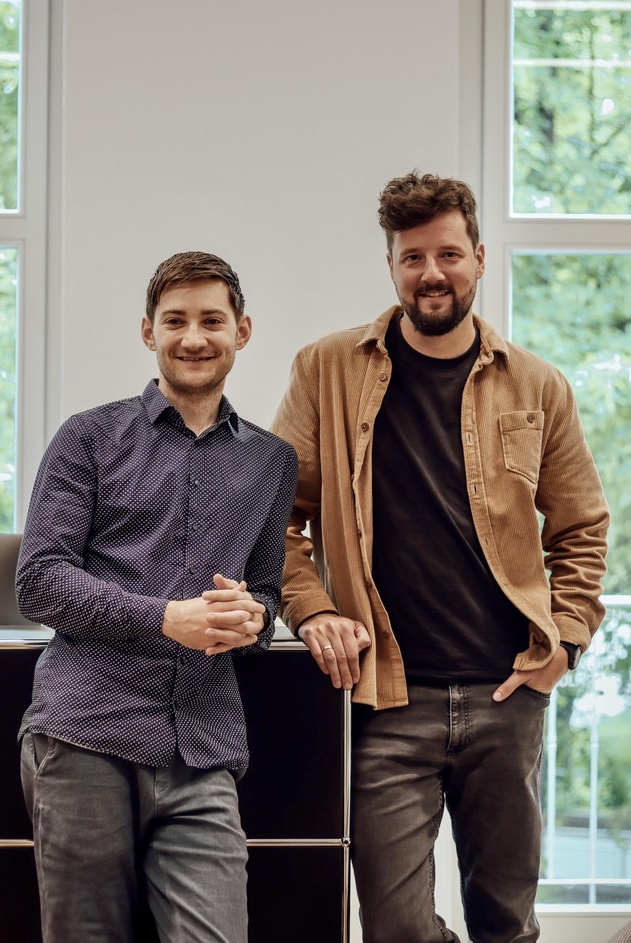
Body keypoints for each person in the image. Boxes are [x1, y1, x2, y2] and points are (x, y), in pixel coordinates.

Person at [271, 173, 609, 943]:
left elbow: (581, 528)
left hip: (505, 695)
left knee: (506, 920)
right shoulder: (325, 369)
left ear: (479, 259)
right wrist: (314, 609)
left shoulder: (536, 385)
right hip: (386, 701)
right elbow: (273, 520)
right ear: (390, 266)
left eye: (448, 254)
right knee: (393, 928)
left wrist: (566, 641)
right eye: (413, 256)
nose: (432, 273)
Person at [17, 251, 297, 943]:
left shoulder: (272, 461)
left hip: (202, 749)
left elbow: (264, 590)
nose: (193, 337)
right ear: (148, 332)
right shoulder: (88, 437)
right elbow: (39, 579)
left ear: (242, 331)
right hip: (85, 733)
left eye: (211, 320)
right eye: (175, 321)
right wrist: (167, 618)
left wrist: (254, 618)